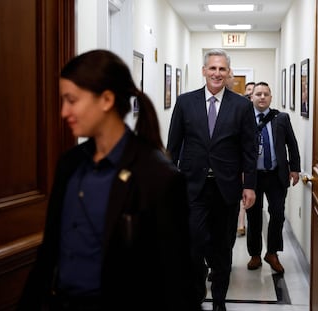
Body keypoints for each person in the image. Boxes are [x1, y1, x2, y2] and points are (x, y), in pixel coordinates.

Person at [17, 49, 201, 311]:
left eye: (72, 100)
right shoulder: (70, 165)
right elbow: (49, 254)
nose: (64, 112)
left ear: (106, 100)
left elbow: (177, 281)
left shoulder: (157, 176)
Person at [167, 48, 258, 311]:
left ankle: (219, 301)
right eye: (212, 68)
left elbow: (249, 149)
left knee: (222, 249)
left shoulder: (241, 105)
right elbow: (173, 146)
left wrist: (249, 184)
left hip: (226, 189)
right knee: (193, 246)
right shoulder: (185, 102)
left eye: (222, 69)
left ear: (228, 72)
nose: (217, 73)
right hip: (192, 187)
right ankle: (196, 297)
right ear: (204, 71)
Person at [246, 82, 301, 274]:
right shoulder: (244, 119)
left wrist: (295, 169)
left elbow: (292, 144)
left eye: (266, 94)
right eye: (258, 94)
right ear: (251, 97)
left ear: (271, 97)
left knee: (277, 214)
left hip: (276, 175)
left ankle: (272, 252)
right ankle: (254, 254)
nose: (262, 97)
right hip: (253, 177)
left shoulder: (281, 118)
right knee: (253, 217)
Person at [236, 81, 256, 237]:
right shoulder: (240, 108)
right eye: (248, 90)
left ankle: (243, 223)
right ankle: (241, 223)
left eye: (253, 91)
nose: (250, 93)